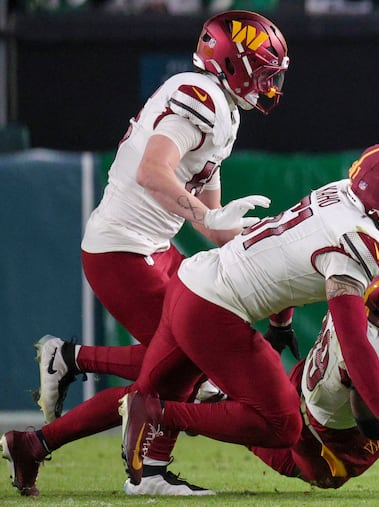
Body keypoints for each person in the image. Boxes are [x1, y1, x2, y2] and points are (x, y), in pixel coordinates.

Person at [0, 139, 379, 497]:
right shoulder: (362, 242)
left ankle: (33, 444)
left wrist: (281, 323)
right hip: (216, 311)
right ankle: (156, 414)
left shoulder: (341, 195)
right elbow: (353, 339)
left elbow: (285, 249)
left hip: (193, 283)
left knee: (151, 387)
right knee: (282, 424)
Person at [2, 10, 292, 497]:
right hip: (122, 252)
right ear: (231, 63)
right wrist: (206, 218)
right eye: (263, 72)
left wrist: (265, 238)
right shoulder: (200, 98)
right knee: (184, 366)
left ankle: (43, 422)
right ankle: (145, 471)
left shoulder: (223, 108)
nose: (270, 85)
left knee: (178, 367)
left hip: (153, 248)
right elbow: (153, 173)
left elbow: (213, 222)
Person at [251, 253, 379, 488]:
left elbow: (288, 278)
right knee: (325, 476)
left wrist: (280, 324)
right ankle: (225, 405)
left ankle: (231, 400)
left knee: (262, 424)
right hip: (331, 435)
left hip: (305, 381)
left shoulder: (351, 289)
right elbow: (372, 426)